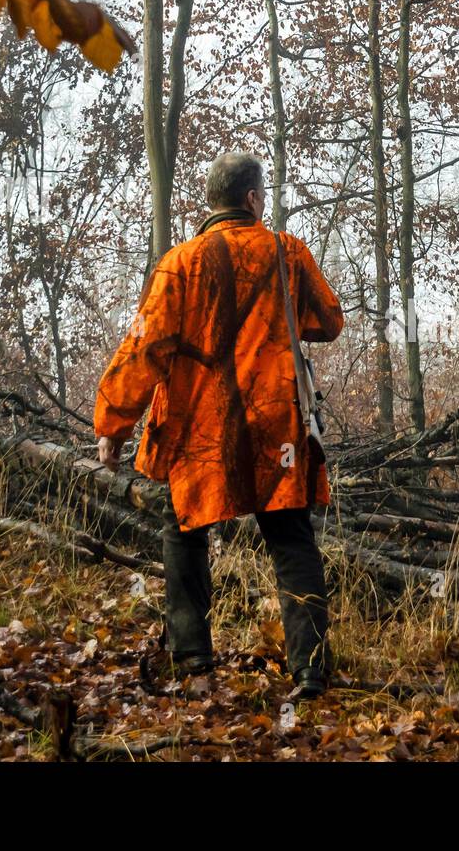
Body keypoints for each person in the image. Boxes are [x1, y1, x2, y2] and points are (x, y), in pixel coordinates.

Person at [93, 152, 344, 698]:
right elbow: (329, 321)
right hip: (276, 425)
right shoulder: (288, 254)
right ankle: (310, 671)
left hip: (201, 432)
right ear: (253, 199)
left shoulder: (179, 265)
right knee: (292, 542)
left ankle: (194, 664)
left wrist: (113, 422)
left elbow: (144, 348)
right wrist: (279, 318)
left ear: (211, 203)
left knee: (184, 534)